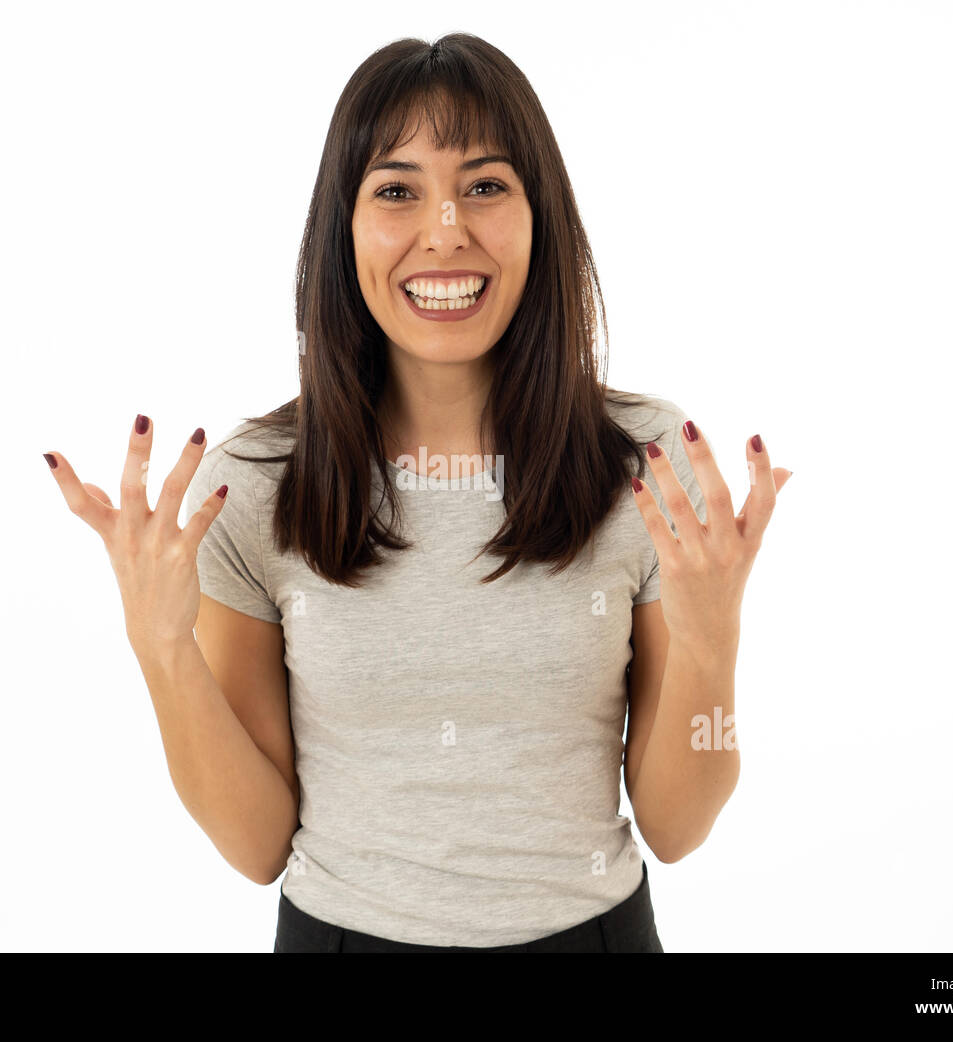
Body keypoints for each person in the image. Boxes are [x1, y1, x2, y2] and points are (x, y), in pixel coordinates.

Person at [44, 33, 790, 953]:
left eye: (485, 185)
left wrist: (714, 639)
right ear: (343, 229)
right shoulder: (255, 483)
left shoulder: (646, 463)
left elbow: (678, 827)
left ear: (539, 215)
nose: (445, 230)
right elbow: (253, 845)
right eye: (396, 190)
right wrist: (161, 647)